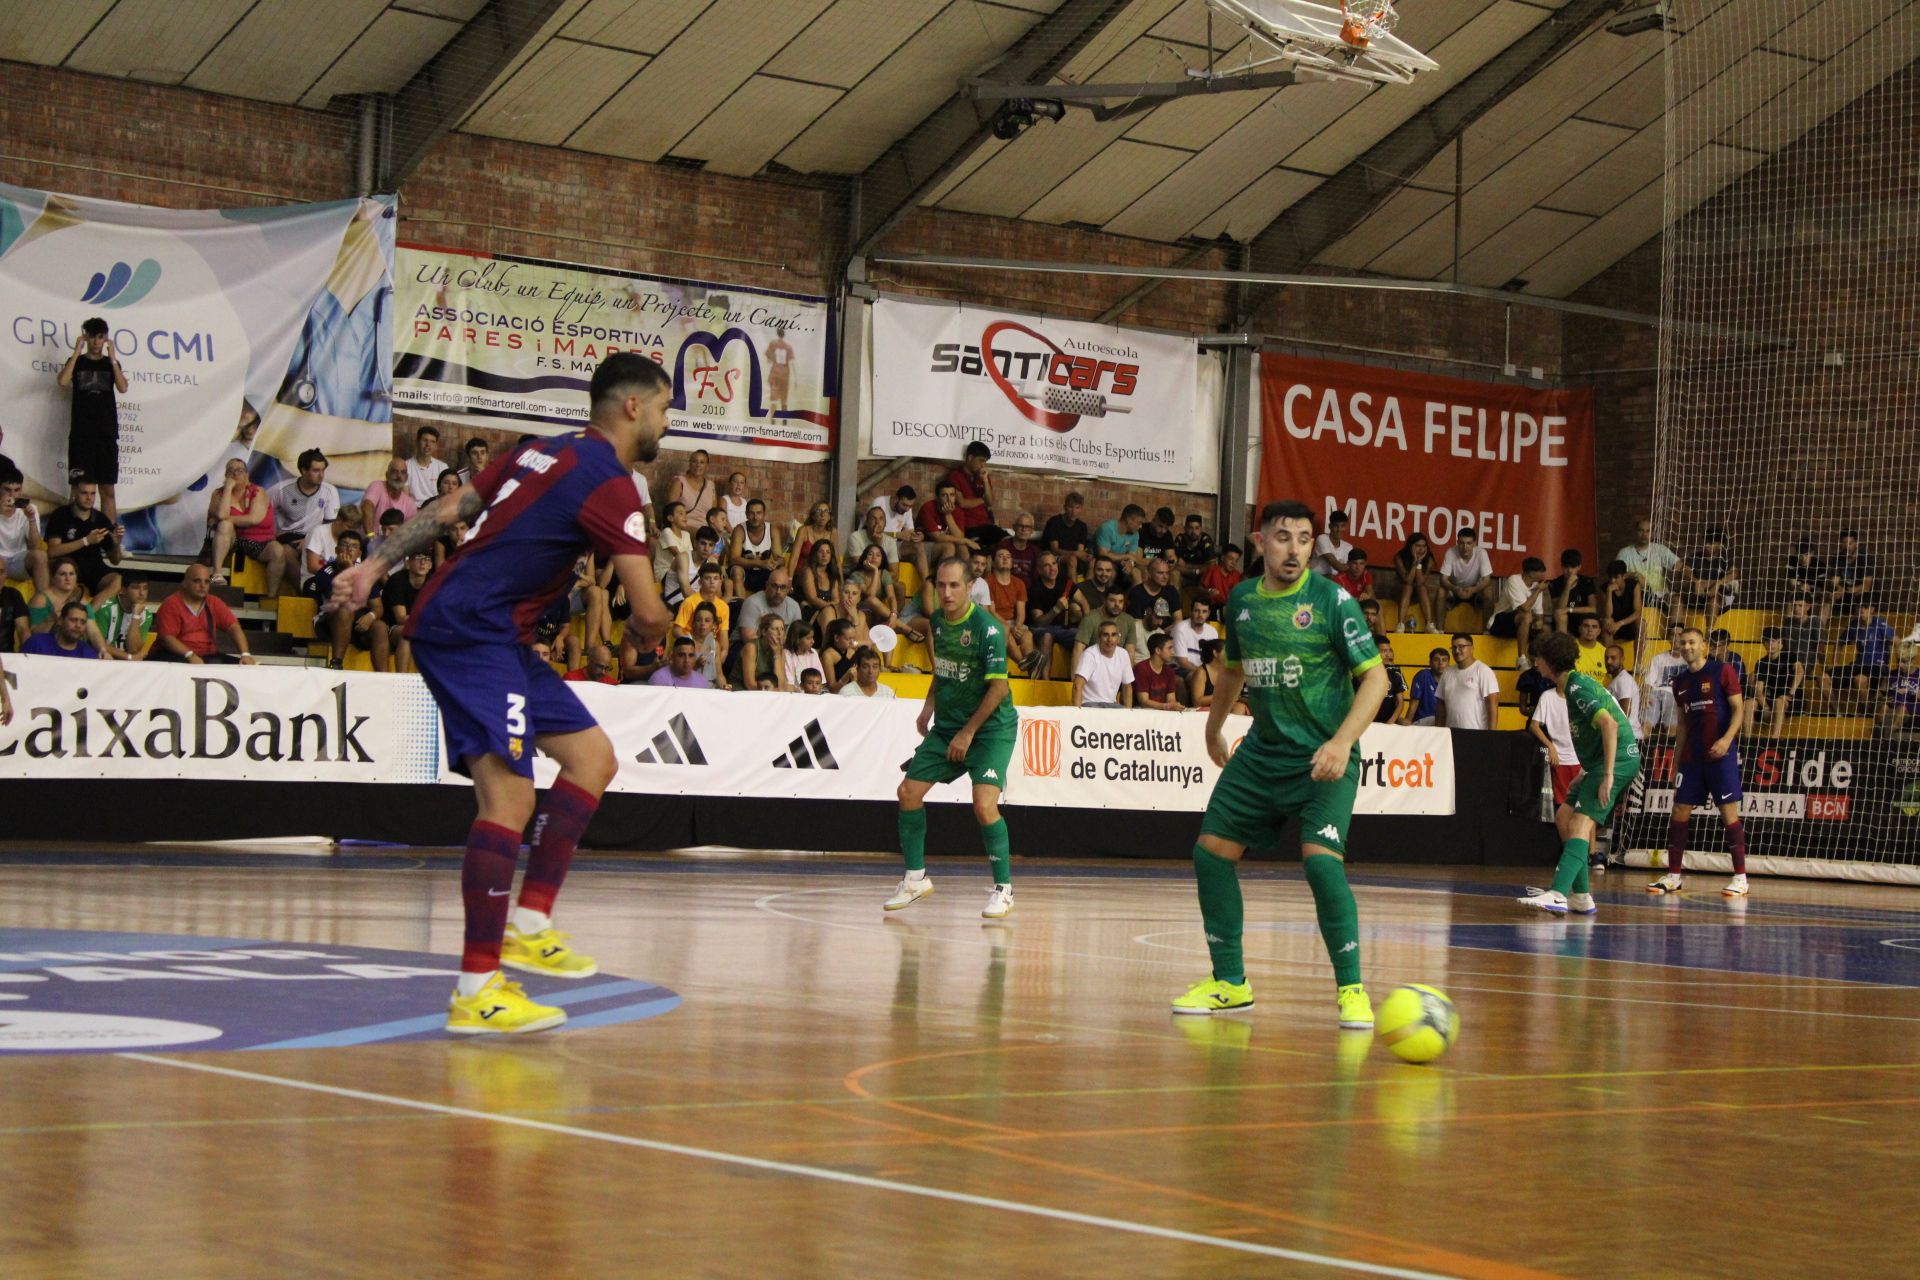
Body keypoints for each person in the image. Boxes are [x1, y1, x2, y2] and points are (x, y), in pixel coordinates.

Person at [329, 350, 673, 1036]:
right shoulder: (611, 483)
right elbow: (649, 609)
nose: (667, 422)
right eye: (664, 407)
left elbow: (453, 506)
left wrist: (374, 564)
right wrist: (649, 636)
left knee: (592, 759)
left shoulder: (541, 451)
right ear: (632, 407)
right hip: (471, 629)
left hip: (498, 634)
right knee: (510, 797)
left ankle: (531, 920)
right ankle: (478, 988)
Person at [1172, 499, 1387, 1027]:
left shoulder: (1334, 601)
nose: (1294, 549)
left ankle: (1352, 989)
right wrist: (1213, 725)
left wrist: (1340, 743)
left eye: (1305, 539)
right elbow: (1233, 673)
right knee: (1210, 855)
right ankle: (1230, 983)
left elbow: (1377, 680)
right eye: (1283, 537)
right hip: (1263, 752)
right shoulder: (1242, 600)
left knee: (1319, 862)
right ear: (1260, 541)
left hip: (1322, 758)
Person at [886, 557, 1020, 920]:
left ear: (969, 587)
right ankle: (915, 879)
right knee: (908, 793)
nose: (945, 592)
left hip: (990, 728)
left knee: (983, 804)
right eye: (941, 585)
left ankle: (1003, 889)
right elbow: (944, 670)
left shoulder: (988, 630)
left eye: (954, 586)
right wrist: (928, 707)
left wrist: (968, 732)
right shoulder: (938, 623)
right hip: (949, 723)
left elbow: (997, 690)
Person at [1516, 631, 1643, 916]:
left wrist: (1607, 774)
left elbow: (1609, 725)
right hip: (1600, 763)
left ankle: (1559, 893)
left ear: (1549, 661)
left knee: (1580, 824)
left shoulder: (1577, 688)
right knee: (1564, 816)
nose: (1536, 664)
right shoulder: (1572, 685)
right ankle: (1582, 896)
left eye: (1538, 659)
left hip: (1618, 761)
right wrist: (1586, 772)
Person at [1648, 626, 1749, 898]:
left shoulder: (1722, 671)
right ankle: (1673, 876)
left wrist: (1727, 740)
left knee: (1728, 813)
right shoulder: (1679, 681)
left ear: (1704, 646)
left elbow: (1739, 709)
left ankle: (1740, 878)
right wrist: (1676, 760)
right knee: (1679, 810)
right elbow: (1681, 724)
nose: (1688, 647)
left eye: (1693, 642)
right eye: (1683, 643)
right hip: (1692, 759)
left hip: (1720, 756)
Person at [57, 318, 127, 521]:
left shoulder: (110, 363)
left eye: (100, 337)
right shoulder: (77, 362)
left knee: (108, 490)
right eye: (93, 337)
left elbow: (123, 387)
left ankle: (110, 540)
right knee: (78, 490)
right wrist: (76, 352)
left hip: (106, 435)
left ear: (105, 338)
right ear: (86, 336)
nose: (97, 342)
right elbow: (62, 381)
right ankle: (73, 537)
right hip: (81, 435)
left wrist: (113, 358)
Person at [308, 529, 392, 671]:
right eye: (345, 545)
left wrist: (370, 616)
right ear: (336, 549)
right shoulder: (325, 572)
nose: (349, 550)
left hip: (358, 624)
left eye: (354, 546)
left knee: (380, 627)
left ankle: (383, 676)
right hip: (330, 622)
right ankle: (336, 663)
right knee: (345, 610)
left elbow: (377, 607)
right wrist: (348, 569)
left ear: (359, 553)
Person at [207, 457, 291, 596]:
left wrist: (227, 519)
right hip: (232, 540)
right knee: (225, 525)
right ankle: (217, 574)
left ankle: (270, 597)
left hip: (260, 541)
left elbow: (254, 519)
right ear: (226, 475)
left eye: (240, 470)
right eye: (231, 471)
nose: (235, 474)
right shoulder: (218, 494)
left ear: (247, 474)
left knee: (277, 550)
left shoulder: (258, 492)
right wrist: (228, 488)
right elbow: (222, 515)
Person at [152, 563, 257, 664]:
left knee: (243, 667)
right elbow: (166, 638)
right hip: (175, 656)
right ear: (184, 583)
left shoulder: (214, 602)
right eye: (197, 581)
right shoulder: (171, 604)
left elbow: (233, 627)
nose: (202, 585)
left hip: (207, 657)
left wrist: (245, 654)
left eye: (206, 582)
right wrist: (190, 655)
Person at [41, 479, 122, 600]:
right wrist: (86, 541)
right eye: (84, 493)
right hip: (70, 568)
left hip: (94, 568)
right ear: (74, 492)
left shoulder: (101, 519)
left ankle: (91, 614)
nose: (89, 498)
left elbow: (115, 560)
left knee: (117, 580)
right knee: (75, 592)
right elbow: (52, 551)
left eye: (93, 493)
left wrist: (116, 543)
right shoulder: (61, 515)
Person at [1824, 599, 1894, 716]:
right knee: (1823, 678)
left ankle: (1865, 714)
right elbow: (1839, 643)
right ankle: (1837, 713)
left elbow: (1896, 642)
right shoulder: (1854, 624)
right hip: (1858, 665)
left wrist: (1891, 670)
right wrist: (1835, 663)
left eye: (1865, 606)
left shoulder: (1881, 624)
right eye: (1859, 606)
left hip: (1876, 667)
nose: (1861, 609)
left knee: (1860, 679)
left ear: (1872, 609)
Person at [269, 449, 342, 554]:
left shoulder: (330, 491)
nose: (321, 475)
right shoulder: (281, 489)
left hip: (315, 536)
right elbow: (262, 510)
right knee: (287, 552)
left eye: (323, 470)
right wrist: (272, 533)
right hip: (288, 535)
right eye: (316, 470)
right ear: (303, 470)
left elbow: (330, 524)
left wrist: (309, 541)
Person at [1429, 527, 1496, 633]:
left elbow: (1487, 580)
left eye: (1469, 543)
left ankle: (1486, 631)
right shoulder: (1450, 552)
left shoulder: (1481, 553)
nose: (1465, 547)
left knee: (1488, 591)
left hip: (1474, 590)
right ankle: (1440, 630)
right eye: (1462, 543)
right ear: (1457, 542)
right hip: (1455, 590)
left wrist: (1473, 590)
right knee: (1441, 591)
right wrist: (1455, 589)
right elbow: (1443, 579)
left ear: (1474, 543)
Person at [984, 545, 1036, 673]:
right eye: (1001, 556)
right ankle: (1022, 662)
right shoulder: (987, 582)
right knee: (1005, 630)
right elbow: (991, 611)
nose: (1005, 559)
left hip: (1014, 623)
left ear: (1012, 563)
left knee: (1027, 634)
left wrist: (1017, 627)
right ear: (994, 562)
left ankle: (1030, 669)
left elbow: (1021, 612)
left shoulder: (1019, 583)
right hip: (995, 622)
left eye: (1008, 557)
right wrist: (1011, 628)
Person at [1025, 551, 1078, 678]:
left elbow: (1084, 603)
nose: (1052, 568)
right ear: (1039, 570)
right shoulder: (1035, 589)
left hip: (1062, 629)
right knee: (1047, 635)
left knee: (1082, 636)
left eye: (1054, 563)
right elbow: (1039, 622)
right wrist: (1056, 609)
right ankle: (1045, 682)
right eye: (1046, 565)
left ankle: (1076, 682)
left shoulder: (1065, 581)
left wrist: (1086, 624)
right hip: (1040, 628)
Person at [1530, 679, 1580, 808]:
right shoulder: (1547, 696)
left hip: (1581, 762)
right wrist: (1550, 746)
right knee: (1563, 808)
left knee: (1582, 811)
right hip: (1559, 761)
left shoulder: (1580, 696)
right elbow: (1534, 726)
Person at [946, 441, 1005, 548]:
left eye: (985, 462)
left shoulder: (983, 477)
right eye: (981, 460)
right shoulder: (955, 476)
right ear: (970, 457)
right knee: (979, 551)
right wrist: (982, 500)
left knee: (1007, 541)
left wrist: (985, 481)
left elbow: (990, 502)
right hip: (969, 526)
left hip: (986, 524)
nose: (983, 465)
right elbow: (962, 503)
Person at [1073, 586, 1147, 673]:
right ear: (1104, 600)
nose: (1117, 605)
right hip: (1093, 669)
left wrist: (1126, 680)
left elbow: (1130, 653)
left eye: (1120, 601)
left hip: (1116, 671)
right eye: (1112, 601)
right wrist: (1075, 680)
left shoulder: (1128, 620)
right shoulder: (1090, 618)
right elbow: (1078, 649)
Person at [0, 467, 48, 596]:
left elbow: (36, 547)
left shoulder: (29, 509)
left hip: (17, 561)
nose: (12, 495)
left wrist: (31, 519)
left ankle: (43, 604)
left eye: (17, 490)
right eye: (7, 490)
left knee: (41, 556)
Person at [384, 549, 434, 674]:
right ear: (408, 563)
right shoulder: (397, 580)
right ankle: (402, 679)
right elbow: (401, 618)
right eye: (418, 557)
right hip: (392, 628)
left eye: (427, 559)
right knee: (408, 634)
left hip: (421, 626)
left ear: (431, 565)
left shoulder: (433, 583)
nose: (423, 562)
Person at [1615, 517, 1682, 609]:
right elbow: (1616, 577)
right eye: (1641, 531)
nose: (1644, 534)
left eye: (1648, 531)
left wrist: (1677, 575)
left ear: (1653, 533)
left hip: (1662, 596)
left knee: (1677, 601)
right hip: (1638, 596)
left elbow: (1678, 564)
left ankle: (1676, 624)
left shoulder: (1659, 549)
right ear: (1635, 532)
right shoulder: (1624, 553)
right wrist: (1634, 575)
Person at [1435, 633, 1499, 730]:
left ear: (1472, 648)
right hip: (1450, 734)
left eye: (1461, 647)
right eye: (1454, 647)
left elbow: (1492, 704)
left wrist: (1491, 735)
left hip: (1476, 735)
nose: (1456, 651)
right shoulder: (1447, 673)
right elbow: (1440, 706)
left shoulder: (1483, 671)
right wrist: (1438, 731)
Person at [1490, 557, 1549, 656]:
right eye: (1540, 571)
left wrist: (1538, 623)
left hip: (1523, 624)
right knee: (1526, 616)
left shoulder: (1537, 585)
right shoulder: (1514, 580)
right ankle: (1522, 658)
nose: (1542, 574)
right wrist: (1538, 591)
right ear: (1531, 573)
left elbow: (1539, 615)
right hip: (1501, 621)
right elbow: (1524, 608)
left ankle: (1539, 661)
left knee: (1546, 628)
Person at [1749, 626, 1801, 738]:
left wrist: (1790, 693)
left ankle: (1774, 738)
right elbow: (1759, 690)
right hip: (1770, 701)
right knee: (1749, 704)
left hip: (1791, 700)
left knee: (1779, 701)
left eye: (1773, 641)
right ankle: (1746, 740)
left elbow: (1800, 672)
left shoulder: (1790, 656)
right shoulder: (1762, 663)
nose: (1770, 644)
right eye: (1767, 641)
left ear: (1779, 642)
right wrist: (1766, 707)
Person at [1641, 619, 1689, 738]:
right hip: (1656, 693)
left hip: (1675, 696)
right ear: (1668, 637)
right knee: (1644, 726)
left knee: (1672, 730)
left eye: (1679, 635)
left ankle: (1667, 755)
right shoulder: (1658, 658)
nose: (1676, 638)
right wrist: (1645, 695)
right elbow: (1649, 682)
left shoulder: (1689, 660)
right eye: (1673, 634)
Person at [1685, 528, 1739, 631]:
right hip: (1698, 596)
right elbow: (1686, 571)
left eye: (1711, 543)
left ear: (1719, 545)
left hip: (1720, 599)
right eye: (1706, 542)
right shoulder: (1695, 556)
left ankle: (1709, 631)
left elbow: (1735, 573)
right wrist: (1696, 581)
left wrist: (1718, 583)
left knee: (1714, 598)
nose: (1707, 545)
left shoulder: (1726, 558)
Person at [91, 572, 152, 660]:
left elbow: (133, 649)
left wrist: (136, 616)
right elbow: (98, 644)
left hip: (126, 661)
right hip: (101, 658)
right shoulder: (105, 608)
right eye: (135, 588)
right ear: (123, 590)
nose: (142, 593)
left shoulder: (146, 614)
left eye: (145, 588)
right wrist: (129, 657)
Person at [1074, 620, 1134, 708]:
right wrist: (1077, 714)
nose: (1110, 639)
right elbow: (1077, 685)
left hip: (1112, 705)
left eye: (1114, 635)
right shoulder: (1090, 654)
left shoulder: (1123, 654)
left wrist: (1128, 713)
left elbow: (1127, 687)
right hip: (1090, 703)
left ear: (1119, 638)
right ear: (1099, 638)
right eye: (1105, 635)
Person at [736, 572, 802, 649]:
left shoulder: (794, 605)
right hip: (745, 647)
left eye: (783, 587)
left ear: (788, 589)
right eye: (774, 586)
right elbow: (748, 638)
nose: (778, 591)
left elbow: (797, 637)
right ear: (766, 585)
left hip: (779, 649)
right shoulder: (752, 602)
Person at [917, 483, 975, 563]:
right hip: (924, 546)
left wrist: (948, 515)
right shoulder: (927, 508)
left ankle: (963, 575)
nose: (949, 499)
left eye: (952, 495)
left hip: (942, 545)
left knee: (962, 548)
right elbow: (937, 537)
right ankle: (943, 575)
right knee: (949, 547)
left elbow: (959, 537)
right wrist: (966, 540)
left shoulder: (958, 511)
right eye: (944, 495)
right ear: (937, 498)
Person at [1188, 638, 1248, 715]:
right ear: (1215, 653)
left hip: (1219, 707)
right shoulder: (1201, 672)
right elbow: (1197, 702)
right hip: (1202, 712)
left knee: (1240, 707)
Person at [22, 600, 100, 660]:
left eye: (83, 622)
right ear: (60, 621)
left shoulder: (89, 654)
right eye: (73, 620)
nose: (78, 625)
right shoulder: (36, 643)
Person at [362, 457, 419, 537]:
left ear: (406, 478)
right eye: (395, 472)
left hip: (391, 545)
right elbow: (367, 507)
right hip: (368, 540)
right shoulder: (377, 486)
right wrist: (370, 536)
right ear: (387, 475)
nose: (399, 476)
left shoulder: (410, 504)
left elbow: (410, 531)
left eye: (402, 472)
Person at [1041, 491, 1091, 582]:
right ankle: (1074, 592)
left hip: (1074, 557)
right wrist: (1075, 553)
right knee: (1072, 559)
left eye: (1077, 508)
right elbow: (1054, 550)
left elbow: (1080, 550)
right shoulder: (1054, 522)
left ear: (1081, 509)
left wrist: (1085, 555)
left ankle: (1088, 592)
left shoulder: (1082, 526)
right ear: (1065, 507)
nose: (1073, 511)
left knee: (1093, 562)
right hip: (1054, 556)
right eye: (1070, 507)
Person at [1125, 556, 1183, 633]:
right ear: (1149, 573)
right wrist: (1159, 633)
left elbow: (1178, 620)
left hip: (1167, 634)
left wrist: (1166, 633)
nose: (1165, 577)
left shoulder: (1171, 591)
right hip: (1144, 635)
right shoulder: (1137, 593)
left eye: (1167, 573)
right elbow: (1137, 626)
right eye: (1160, 573)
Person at [1093, 504, 1148, 584]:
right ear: (1129, 520)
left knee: (1137, 573)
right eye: (1139, 522)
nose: (1140, 526)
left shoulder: (1135, 534)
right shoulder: (1107, 528)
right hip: (1101, 561)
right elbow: (1103, 554)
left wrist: (1130, 563)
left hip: (1120, 563)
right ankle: (1106, 596)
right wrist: (1127, 556)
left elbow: (1132, 555)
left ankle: (1129, 596)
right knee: (1112, 572)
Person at [1548, 548, 1598, 636]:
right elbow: (1559, 609)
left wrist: (1569, 609)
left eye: (1573, 567)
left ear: (1579, 567)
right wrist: (1567, 587)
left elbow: (1593, 609)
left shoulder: (1587, 582)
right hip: (1563, 621)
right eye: (1566, 567)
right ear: (1562, 567)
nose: (1569, 571)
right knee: (1561, 616)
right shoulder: (1555, 583)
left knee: (1590, 621)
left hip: (1581, 619)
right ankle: (1563, 648)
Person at [675, 562, 731, 639]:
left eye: (716, 578)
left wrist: (724, 651)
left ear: (720, 581)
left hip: (711, 647)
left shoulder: (724, 607)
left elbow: (723, 637)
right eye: (707, 578)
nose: (712, 582)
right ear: (700, 582)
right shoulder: (689, 602)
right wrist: (692, 643)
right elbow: (677, 630)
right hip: (690, 645)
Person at [736, 613, 790, 692]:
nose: (780, 633)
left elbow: (780, 685)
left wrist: (776, 654)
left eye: (782, 629)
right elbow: (749, 684)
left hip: (767, 692)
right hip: (742, 691)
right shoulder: (751, 647)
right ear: (764, 631)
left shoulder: (780, 651)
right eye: (775, 629)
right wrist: (769, 692)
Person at [1393, 533, 1435, 632]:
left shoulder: (1429, 559)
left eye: (1424, 546)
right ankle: (1400, 625)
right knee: (1408, 587)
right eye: (1418, 546)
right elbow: (1408, 580)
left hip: (1417, 592)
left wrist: (1419, 563)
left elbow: (1420, 582)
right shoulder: (1400, 557)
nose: (1421, 549)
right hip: (1400, 591)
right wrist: (1414, 562)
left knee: (1422, 588)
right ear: (1411, 546)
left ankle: (1429, 624)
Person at [1827, 530, 1876, 614]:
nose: (1847, 546)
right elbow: (1834, 580)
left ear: (1856, 543)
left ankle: (1856, 626)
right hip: (1845, 592)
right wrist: (1838, 589)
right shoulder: (1838, 557)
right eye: (1844, 543)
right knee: (1828, 597)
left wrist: (1848, 590)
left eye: (1850, 543)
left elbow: (1866, 586)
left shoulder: (1866, 558)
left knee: (1860, 597)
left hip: (1861, 593)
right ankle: (1820, 625)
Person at [1877, 641, 1920, 737]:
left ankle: (1887, 736)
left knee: (1902, 708)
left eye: (1904, 661)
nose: (1900, 665)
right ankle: (1878, 731)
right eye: (1898, 660)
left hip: (1912, 709)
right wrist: (1882, 698)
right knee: (1884, 707)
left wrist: (1911, 691)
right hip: (1892, 707)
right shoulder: (1891, 674)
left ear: (1913, 661)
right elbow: (1879, 694)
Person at [1131, 632, 1183, 711]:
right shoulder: (1141, 668)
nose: (1173, 652)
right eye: (1170, 648)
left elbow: (1171, 699)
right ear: (1158, 650)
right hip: (1141, 712)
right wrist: (1167, 706)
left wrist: (1174, 706)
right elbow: (1144, 701)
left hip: (1161, 712)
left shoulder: (1169, 671)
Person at [1167, 598, 1218, 674]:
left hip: (1201, 671)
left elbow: (1213, 660)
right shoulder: (1180, 628)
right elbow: (1182, 662)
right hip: (1179, 668)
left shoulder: (1213, 631)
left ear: (1208, 613)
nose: (1200, 615)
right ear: (1190, 611)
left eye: (1204, 611)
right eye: (1197, 611)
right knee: (1197, 680)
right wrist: (1203, 674)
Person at [667, 448, 717, 526]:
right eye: (694, 461)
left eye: (702, 462)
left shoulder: (711, 485)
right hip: (684, 526)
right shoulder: (679, 482)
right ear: (689, 464)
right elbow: (670, 511)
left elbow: (714, 513)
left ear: (707, 466)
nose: (698, 465)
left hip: (706, 528)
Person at [1599, 559, 1643, 645]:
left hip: (1629, 623)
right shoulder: (1605, 588)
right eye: (1610, 577)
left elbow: (1637, 612)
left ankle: (1639, 658)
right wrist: (1609, 592)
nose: (1612, 581)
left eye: (1616, 577)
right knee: (1606, 621)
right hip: (1613, 626)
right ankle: (1609, 656)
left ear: (1624, 576)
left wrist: (1620, 623)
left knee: (1641, 624)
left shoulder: (1633, 585)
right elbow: (1608, 615)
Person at [404, 425, 449, 504]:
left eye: (432, 442)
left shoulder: (442, 467)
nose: (428, 444)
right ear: (417, 442)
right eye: (425, 440)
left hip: (435, 510)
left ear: (435, 446)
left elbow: (447, 495)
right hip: (414, 511)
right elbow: (404, 498)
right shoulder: (406, 466)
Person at [1173, 514, 1216, 594]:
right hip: (1184, 577)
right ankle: (1177, 606)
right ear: (1185, 528)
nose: (1193, 532)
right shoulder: (1180, 539)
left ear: (1201, 529)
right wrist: (1200, 567)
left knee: (1213, 574)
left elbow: (1211, 566)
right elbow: (1175, 565)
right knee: (1174, 574)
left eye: (1197, 528)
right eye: (1190, 528)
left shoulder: (1205, 539)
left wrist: (1188, 566)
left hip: (1202, 577)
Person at [1199, 542, 1243, 611]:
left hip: (1229, 608)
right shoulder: (1212, 570)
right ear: (1222, 558)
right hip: (1212, 607)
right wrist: (1208, 591)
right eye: (1231, 559)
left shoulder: (1237, 575)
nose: (1233, 563)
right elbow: (1199, 588)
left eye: (1236, 561)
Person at [1310, 510, 1354, 577]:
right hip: (1316, 578)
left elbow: (1347, 570)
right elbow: (1336, 565)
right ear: (1330, 526)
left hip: (1335, 581)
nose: (1339, 529)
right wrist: (1343, 567)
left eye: (1342, 526)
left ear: (1346, 527)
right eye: (1336, 526)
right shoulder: (1322, 538)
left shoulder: (1348, 547)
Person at [1409, 646, 1446, 725]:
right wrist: (1407, 722)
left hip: (1442, 721)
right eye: (1436, 659)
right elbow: (1414, 703)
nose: (1440, 663)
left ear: (1448, 663)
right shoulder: (1423, 675)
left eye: (1444, 660)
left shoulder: (1451, 678)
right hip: (1423, 721)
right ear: (1430, 662)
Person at [1374, 635, 1406, 723]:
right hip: (1367, 724)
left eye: (1389, 650)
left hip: (1389, 722)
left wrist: (1390, 723)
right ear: (1373, 652)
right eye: (1384, 651)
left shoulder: (1396, 672)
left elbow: (1400, 703)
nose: (1388, 654)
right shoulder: (1363, 673)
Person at [1604, 643, 1638, 726]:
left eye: (1613, 658)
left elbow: (1625, 713)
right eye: (1606, 658)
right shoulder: (1618, 679)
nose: (1608, 661)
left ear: (1622, 659)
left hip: (1627, 734)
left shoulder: (1624, 680)